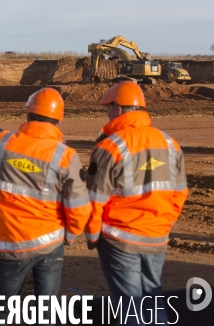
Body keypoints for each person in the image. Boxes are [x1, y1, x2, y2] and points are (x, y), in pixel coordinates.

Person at [0, 88, 91, 324]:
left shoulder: (4, 143)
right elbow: (79, 205)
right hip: (50, 242)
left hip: (12, 242)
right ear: (59, 119)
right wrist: (72, 234)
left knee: (4, 311)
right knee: (47, 312)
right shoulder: (65, 155)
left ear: (28, 114)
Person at [85, 81, 188, 325]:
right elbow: (180, 192)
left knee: (130, 306)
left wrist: (92, 235)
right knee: (153, 298)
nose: (107, 114)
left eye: (108, 109)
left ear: (118, 109)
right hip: (157, 236)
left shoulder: (110, 146)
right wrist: (164, 223)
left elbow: (95, 198)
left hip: (120, 238)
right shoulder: (170, 144)